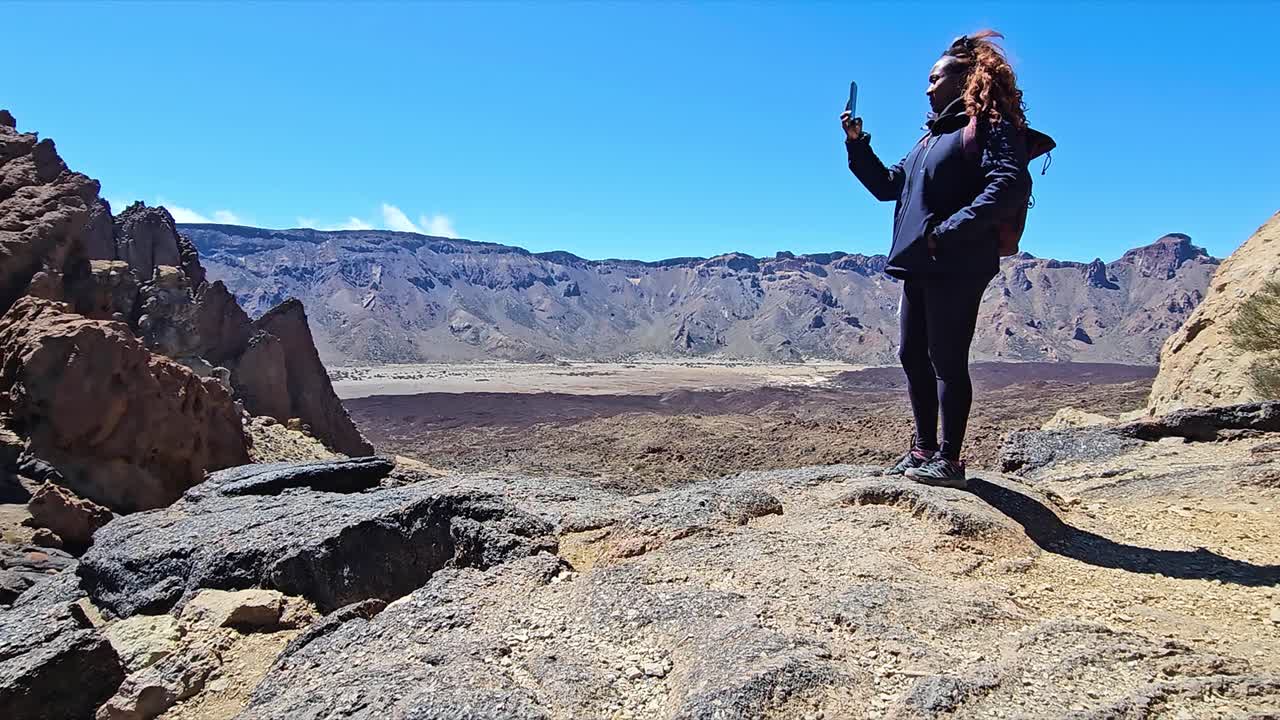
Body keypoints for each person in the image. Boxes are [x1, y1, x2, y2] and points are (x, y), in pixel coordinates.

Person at [840, 30, 1031, 488]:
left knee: (946, 358)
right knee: (912, 355)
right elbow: (889, 186)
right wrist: (856, 142)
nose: (927, 88)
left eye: (934, 78)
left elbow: (1006, 185)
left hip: (957, 261)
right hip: (922, 262)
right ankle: (923, 449)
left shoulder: (989, 127)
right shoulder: (928, 140)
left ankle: (950, 459)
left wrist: (946, 232)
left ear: (964, 78)